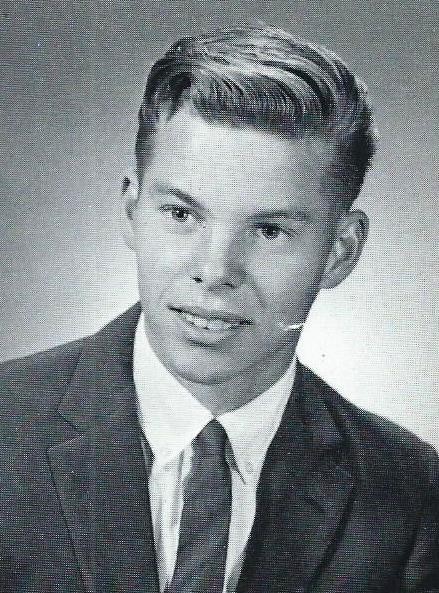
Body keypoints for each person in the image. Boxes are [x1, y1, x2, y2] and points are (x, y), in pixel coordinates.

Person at [0, 26, 437, 593]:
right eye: (182, 214)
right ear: (132, 210)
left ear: (340, 251)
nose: (215, 271)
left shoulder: (414, 497)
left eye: (270, 230)